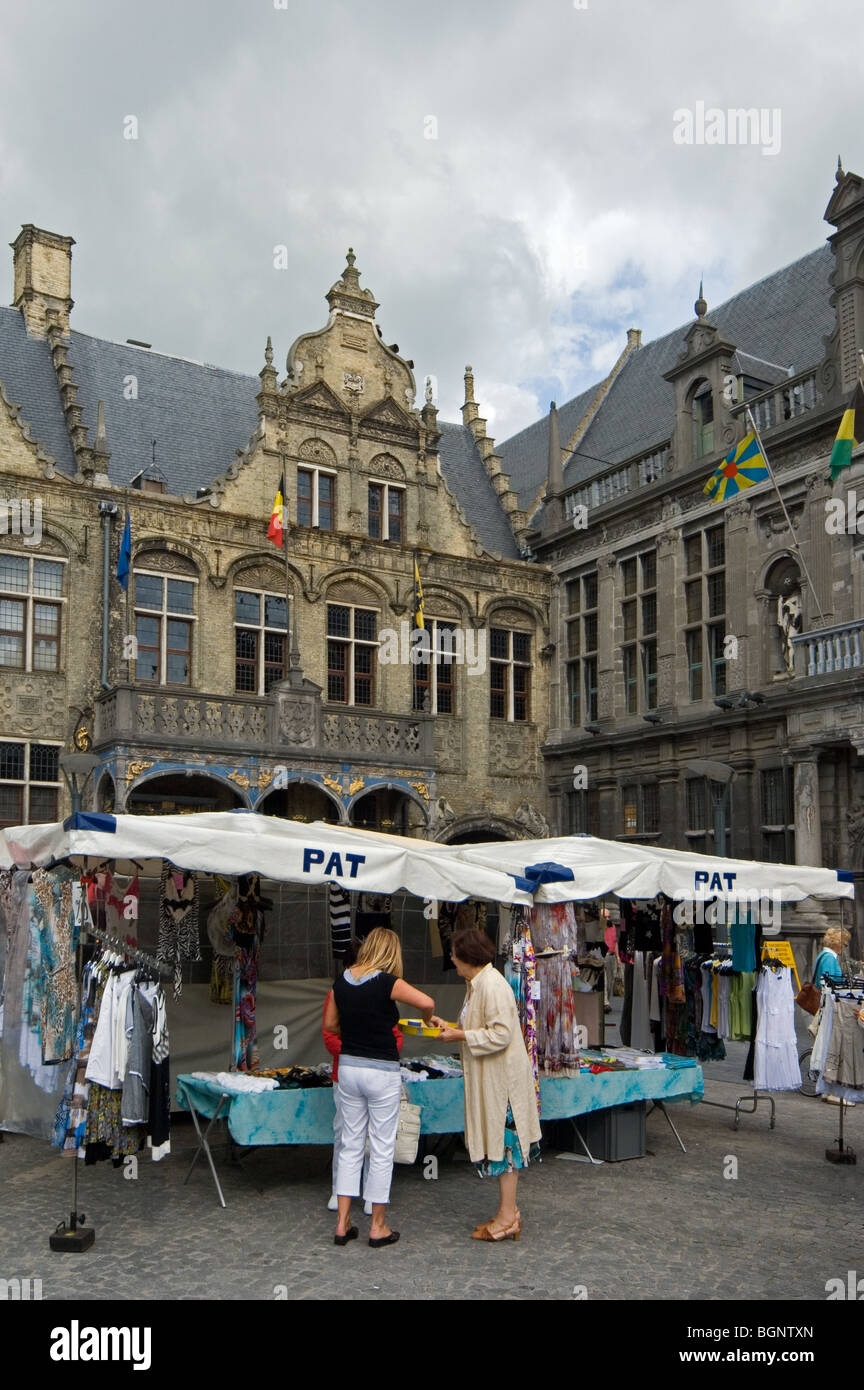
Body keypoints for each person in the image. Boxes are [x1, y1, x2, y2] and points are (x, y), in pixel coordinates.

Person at [323, 927, 434, 1247]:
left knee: (350, 1144)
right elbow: (427, 1000)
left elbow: (331, 1025)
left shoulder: (342, 980)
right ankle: (378, 1226)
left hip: (348, 1068)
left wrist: (356, 1024)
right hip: (381, 1070)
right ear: (392, 953)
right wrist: (428, 1019)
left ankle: (342, 1224)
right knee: (382, 1146)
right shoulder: (387, 982)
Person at [433, 926, 541, 1243]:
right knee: (501, 1145)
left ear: (468, 957)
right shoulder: (477, 984)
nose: (452, 960)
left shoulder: (492, 986)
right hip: (495, 1078)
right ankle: (507, 1213)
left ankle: (508, 1217)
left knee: (506, 1147)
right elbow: (479, 1026)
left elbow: (501, 1034)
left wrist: (460, 1035)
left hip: (504, 1082)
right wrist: (451, 1028)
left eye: (454, 955)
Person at [322, 938, 404, 1214]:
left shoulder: (351, 987)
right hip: (366, 1069)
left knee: (358, 1140)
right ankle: (348, 1195)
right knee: (360, 1138)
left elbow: (331, 1029)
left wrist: (356, 1043)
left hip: (349, 1069)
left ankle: (359, 1203)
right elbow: (329, 1034)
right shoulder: (373, 986)